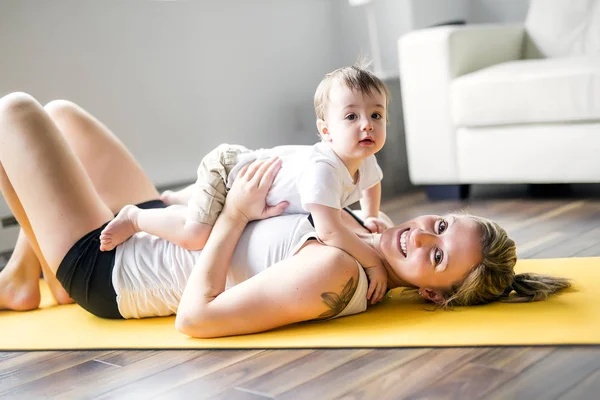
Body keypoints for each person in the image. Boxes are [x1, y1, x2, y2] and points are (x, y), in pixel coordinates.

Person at [0, 93, 570, 339]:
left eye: (438, 258)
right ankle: (31, 276)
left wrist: (235, 215)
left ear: (434, 296)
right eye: (440, 226)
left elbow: (196, 320)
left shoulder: (338, 274)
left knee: (14, 113)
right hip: (156, 223)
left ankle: (46, 276)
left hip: (115, 270)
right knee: (61, 116)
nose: (422, 236)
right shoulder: (368, 230)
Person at [98, 64, 391, 303]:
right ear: (326, 131)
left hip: (248, 171)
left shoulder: (364, 156)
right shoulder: (324, 170)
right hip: (228, 171)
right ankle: (135, 218)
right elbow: (330, 231)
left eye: (376, 115)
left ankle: (175, 198)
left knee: (204, 207)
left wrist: (372, 215)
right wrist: (373, 262)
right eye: (351, 116)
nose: (367, 124)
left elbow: (371, 184)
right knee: (197, 234)